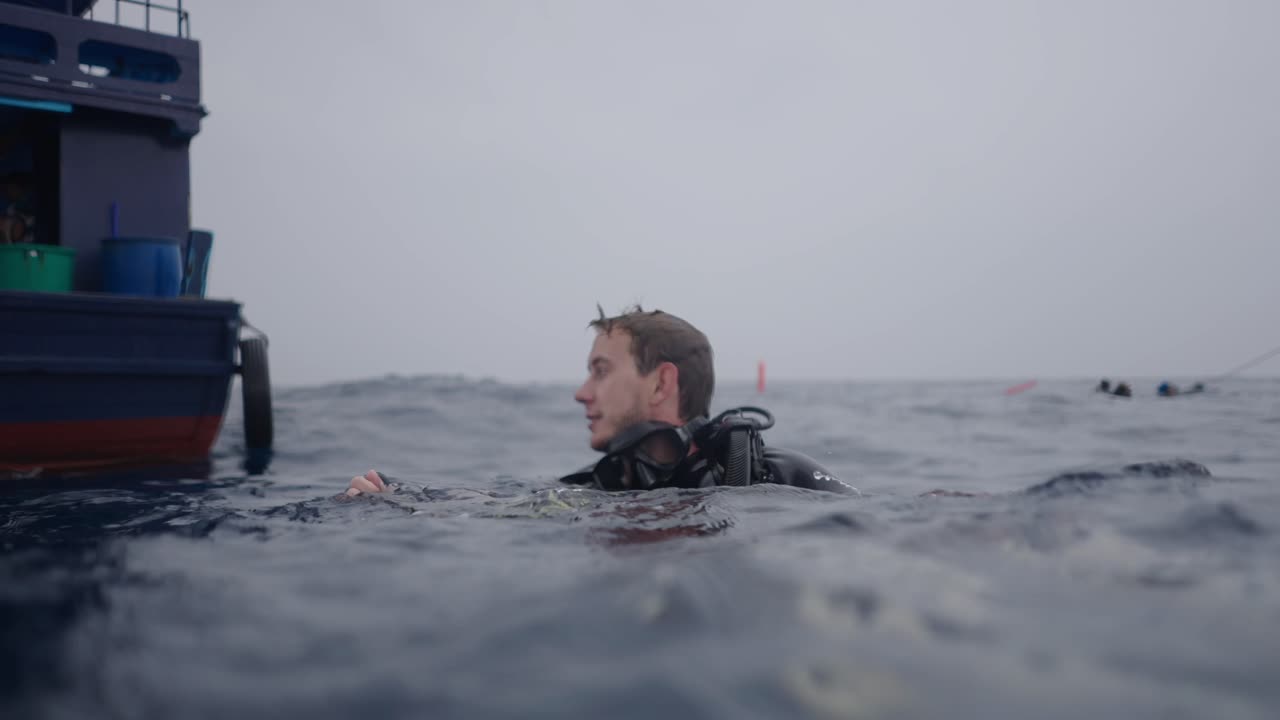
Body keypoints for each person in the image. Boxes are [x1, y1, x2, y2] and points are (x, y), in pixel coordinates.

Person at [346, 305, 855, 496]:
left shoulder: (773, 477)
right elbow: (487, 508)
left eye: (601, 371)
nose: (580, 392)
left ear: (660, 384)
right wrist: (395, 497)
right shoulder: (603, 486)